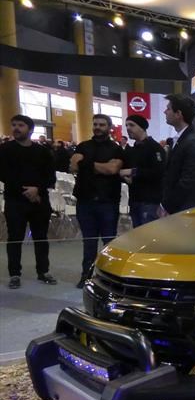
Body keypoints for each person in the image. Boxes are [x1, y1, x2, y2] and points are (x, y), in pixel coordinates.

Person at [0, 114, 57, 288]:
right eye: (14, 125)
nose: (16, 128)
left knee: (40, 237)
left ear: (30, 129)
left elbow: (50, 176)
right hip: (15, 200)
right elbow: (4, 174)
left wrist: (37, 190)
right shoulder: (4, 150)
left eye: (21, 125)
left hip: (39, 201)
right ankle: (15, 274)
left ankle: (43, 271)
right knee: (15, 238)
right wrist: (27, 191)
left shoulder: (42, 151)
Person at [70, 113, 124, 288]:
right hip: (85, 201)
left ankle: (109, 278)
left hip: (108, 201)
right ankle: (86, 275)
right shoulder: (83, 146)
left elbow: (112, 169)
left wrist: (85, 164)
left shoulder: (116, 149)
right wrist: (101, 166)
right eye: (95, 124)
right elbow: (73, 166)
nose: (98, 127)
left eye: (102, 124)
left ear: (109, 128)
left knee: (109, 243)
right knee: (89, 242)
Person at [160, 94, 195, 214]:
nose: (165, 112)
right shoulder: (182, 139)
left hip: (186, 209)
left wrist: (167, 205)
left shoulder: (192, 142)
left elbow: (188, 181)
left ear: (178, 114)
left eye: (168, 108)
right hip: (180, 207)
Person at [120, 114, 166, 227]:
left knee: (148, 235)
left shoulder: (155, 148)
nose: (128, 128)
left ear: (142, 127)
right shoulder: (132, 150)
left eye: (132, 125)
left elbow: (158, 172)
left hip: (150, 201)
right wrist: (127, 178)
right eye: (126, 125)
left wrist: (132, 171)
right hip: (135, 199)